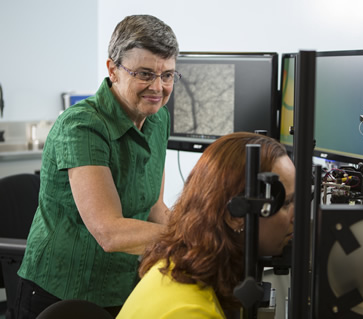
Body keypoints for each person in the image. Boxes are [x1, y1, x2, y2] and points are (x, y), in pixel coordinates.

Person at [14, 14, 179, 318]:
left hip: (126, 286)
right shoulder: (82, 126)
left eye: (167, 75)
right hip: (63, 293)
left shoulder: (158, 118)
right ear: (113, 70)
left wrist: (199, 239)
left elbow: (154, 207)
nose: (158, 87)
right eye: (145, 74)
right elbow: (109, 232)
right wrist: (192, 236)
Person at [116, 132, 295, 319]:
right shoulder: (192, 312)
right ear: (235, 217)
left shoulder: (175, 266)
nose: (294, 216)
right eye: (286, 204)